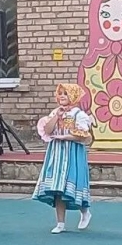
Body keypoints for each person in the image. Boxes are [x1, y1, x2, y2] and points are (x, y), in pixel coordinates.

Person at [32, 83, 93, 234]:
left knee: (73, 183)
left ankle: (85, 212)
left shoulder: (79, 115)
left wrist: (65, 137)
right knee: (57, 187)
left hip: (73, 152)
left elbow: (83, 136)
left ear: (73, 96)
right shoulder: (55, 112)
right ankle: (60, 223)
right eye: (60, 93)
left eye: (66, 93)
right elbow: (47, 130)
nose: (62, 96)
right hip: (57, 153)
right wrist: (56, 117)